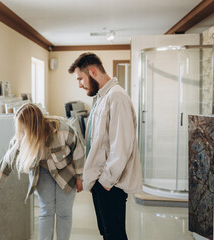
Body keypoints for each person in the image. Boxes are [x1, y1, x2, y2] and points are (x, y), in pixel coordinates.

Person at [0, 103, 85, 240]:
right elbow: (6, 164)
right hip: (42, 172)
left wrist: (80, 177)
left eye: (23, 129)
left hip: (66, 172)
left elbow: (79, 150)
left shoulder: (62, 130)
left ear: (33, 127)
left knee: (64, 212)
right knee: (46, 212)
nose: (20, 133)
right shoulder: (21, 139)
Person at [68, 52, 142, 240]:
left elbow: (122, 146)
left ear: (92, 71)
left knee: (114, 235)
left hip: (111, 183)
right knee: (107, 233)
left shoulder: (117, 97)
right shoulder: (101, 97)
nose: (80, 84)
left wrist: (106, 182)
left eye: (81, 79)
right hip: (101, 181)